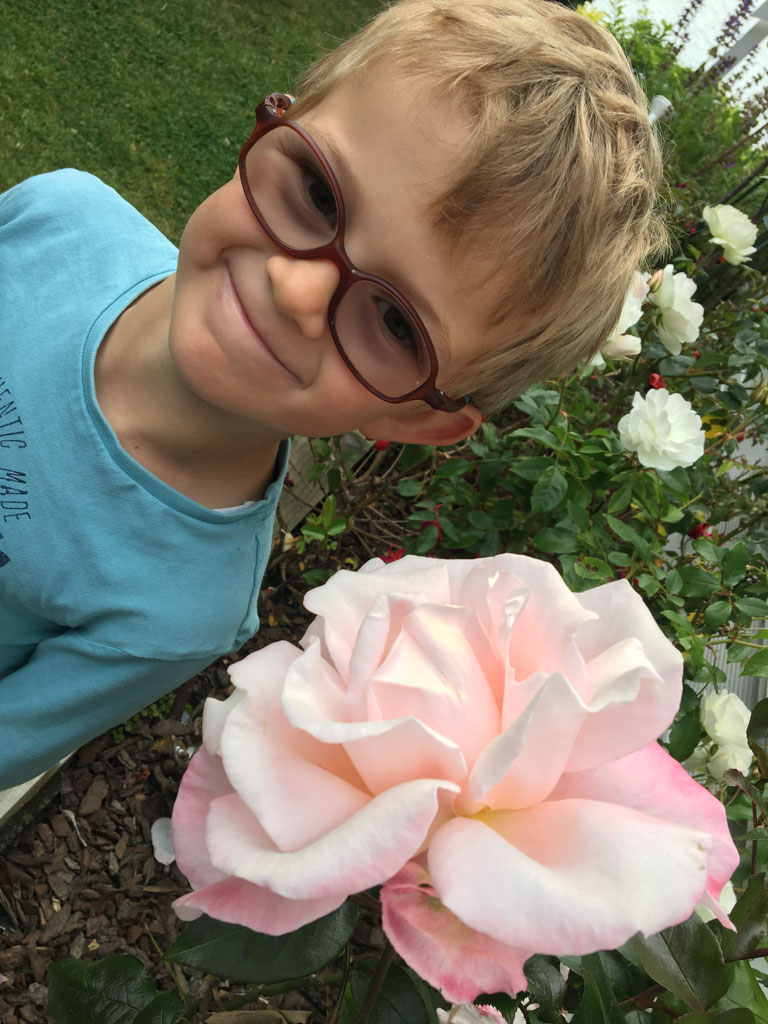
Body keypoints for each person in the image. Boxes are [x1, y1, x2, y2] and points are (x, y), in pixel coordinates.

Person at [0, 0, 664, 788]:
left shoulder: (180, 608)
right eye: (318, 191)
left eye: (394, 322)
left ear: (417, 419)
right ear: (283, 119)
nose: (296, 287)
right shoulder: (59, 218)